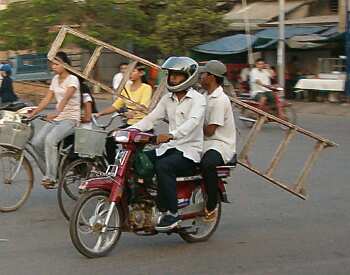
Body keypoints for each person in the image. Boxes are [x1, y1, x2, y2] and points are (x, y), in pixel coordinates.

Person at [131, 56, 206, 231]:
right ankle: (148, 199)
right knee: (138, 159)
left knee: (164, 166)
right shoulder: (167, 98)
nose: (172, 78)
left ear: (188, 76)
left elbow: (193, 123)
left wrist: (171, 135)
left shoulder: (198, 99)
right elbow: (151, 119)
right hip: (169, 148)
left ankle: (172, 213)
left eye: (177, 75)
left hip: (189, 151)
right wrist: (130, 130)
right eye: (171, 74)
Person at [29, 51, 81, 189]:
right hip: (58, 119)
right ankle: (55, 168)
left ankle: (51, 177)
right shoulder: (54, 80)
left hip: (71, 119)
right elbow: (47, 98)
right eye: (52, 63)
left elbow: (65, 98)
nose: (53, 66)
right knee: (36, 142)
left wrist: (56, 112)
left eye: (57, 63)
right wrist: (34, 112)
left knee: (50, 140)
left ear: (64, 64)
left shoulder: (72, 79)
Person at [199, 60, 236, 222]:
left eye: (204, 74)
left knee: (207, 164)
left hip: (220, 145)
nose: (201, 76)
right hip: (204, 143)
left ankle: (212, 204)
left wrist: (190, 124)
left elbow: (210, 130)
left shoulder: (220, 100)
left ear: (212, 77)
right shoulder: (204, 96)